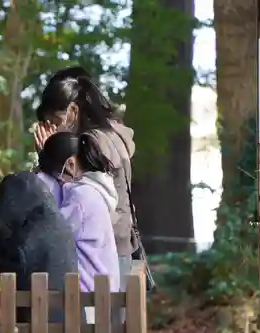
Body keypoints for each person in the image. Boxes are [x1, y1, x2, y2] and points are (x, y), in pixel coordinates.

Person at [34, 68, 155, 293]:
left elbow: (79, 195)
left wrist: (48, 155)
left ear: (72, 111)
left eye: (55, 120)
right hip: (120, 244)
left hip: (98, 252)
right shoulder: (112, 134)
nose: (52, 128)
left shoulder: (90, 143)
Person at [0, 171, 79, 323]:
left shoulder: (27, 241)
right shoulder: (56, 222)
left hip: (43, 322)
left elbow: (5, 265)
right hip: (70, 319)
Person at [40, 131, 120, 323]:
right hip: (101, 290)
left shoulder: (81, 197)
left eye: (57, 178)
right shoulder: (94, 191)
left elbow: (54, 234)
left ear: (71, 165)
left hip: (89, 295)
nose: (59, 183)